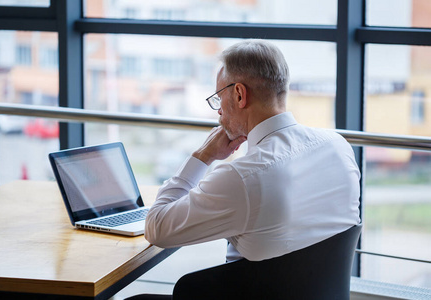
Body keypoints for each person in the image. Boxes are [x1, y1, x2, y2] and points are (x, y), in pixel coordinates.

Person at [127, 39, 360, 299]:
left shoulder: (244, 178)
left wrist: (202, 156)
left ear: (239, 94)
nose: (218, 113)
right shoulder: (339, 147)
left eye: (218, 98)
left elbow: (157, 228)